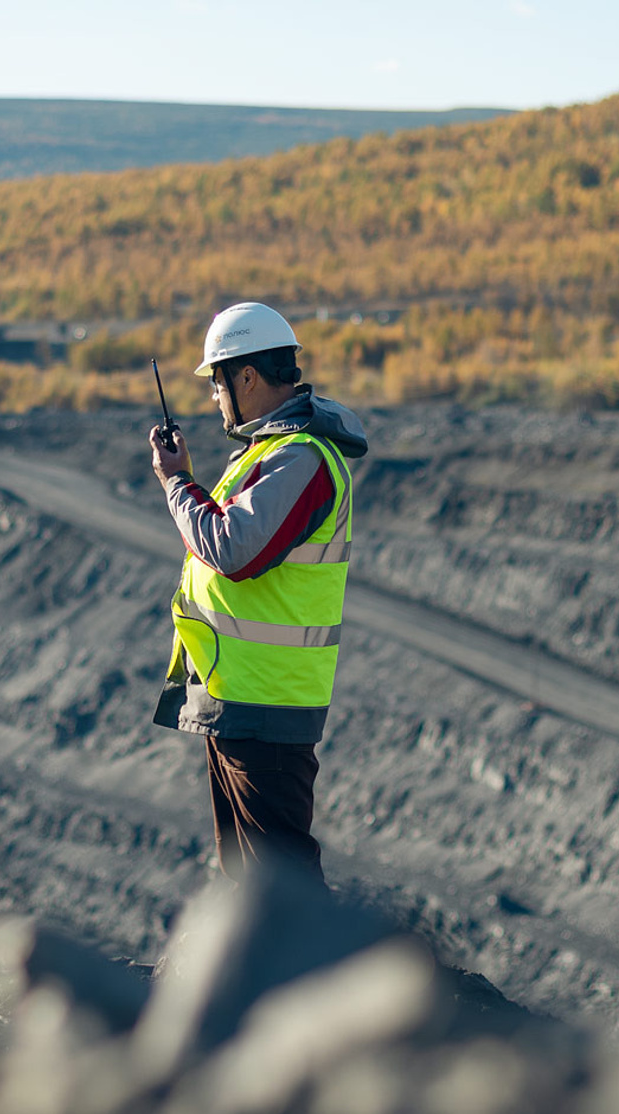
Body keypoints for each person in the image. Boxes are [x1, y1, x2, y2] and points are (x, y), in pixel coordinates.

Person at [149, 301, 367, 888]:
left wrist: (176, 483)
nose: (216, 397)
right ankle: (266, 974)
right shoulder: (271, 453)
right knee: (251, 881)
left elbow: (232, 548)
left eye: (218, 383)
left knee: (284, 883)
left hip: (267, 706)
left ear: (246, 377)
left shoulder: (300, 458)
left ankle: (324, 976)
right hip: (239, 700)